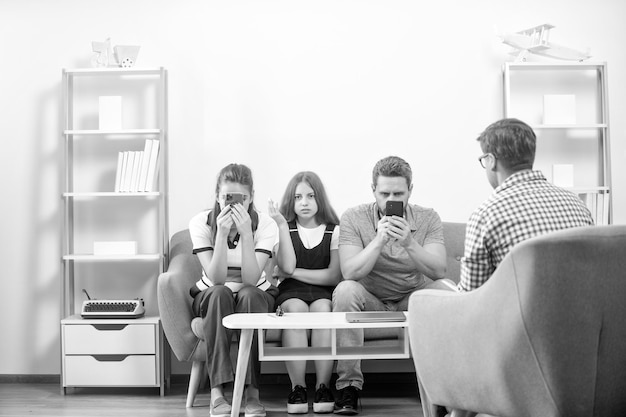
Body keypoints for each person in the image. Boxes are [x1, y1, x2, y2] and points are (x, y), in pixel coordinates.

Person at [449, 118, 594, 417]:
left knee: (456, 317)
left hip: (523, 340)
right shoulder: (577, 204)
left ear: (490, 160)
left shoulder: (487, 213)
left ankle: (460, 409)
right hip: (582, 335)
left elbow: (472, 299)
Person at [332, 155, 448, 415]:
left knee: (446, 290)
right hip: (370, 299)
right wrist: (379, 240)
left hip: (411, 300)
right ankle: (348, 387)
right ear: (373, 190)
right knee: (345, 290)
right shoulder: (353, 217)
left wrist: (409, 242)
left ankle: (443, 391)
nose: (391, 200)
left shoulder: (428, 218)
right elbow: (349, 271)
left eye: (399, 193)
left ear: (410, 190)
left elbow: (439, 271)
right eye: (384, 193)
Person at [188, 163, 278, 417]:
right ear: (217, 196)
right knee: (220, 294)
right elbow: (216, 279)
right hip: (212, 293)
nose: (234, 204)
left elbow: (250, 279)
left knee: (248, 295)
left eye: (242, 198)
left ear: (250, 199)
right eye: (227, 197)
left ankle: (251, 393)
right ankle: (217, 391)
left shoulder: (265, 225)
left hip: (254, 292)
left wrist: (247, 235)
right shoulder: (201, 223)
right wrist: (221, 235)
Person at [268, 171, 342, 414]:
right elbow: (283, 269)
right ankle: (297, 387)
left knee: (323, 311)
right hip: (290, 293)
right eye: (298, 197)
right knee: (296, 311)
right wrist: (288, 272)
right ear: (291, 200)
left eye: (310, 196)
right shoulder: (283, 228)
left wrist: (292, 272)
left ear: (319, 198)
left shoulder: (334, 230)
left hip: (323, 291)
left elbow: (332, 276)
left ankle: (323, 386)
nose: (304, 202)